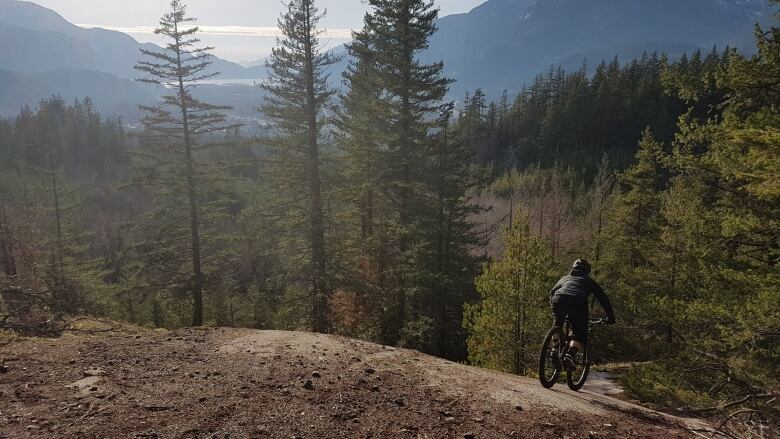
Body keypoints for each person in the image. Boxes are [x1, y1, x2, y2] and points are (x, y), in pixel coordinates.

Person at [549, 259, 615, 370]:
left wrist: (554, 307)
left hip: (558, 299)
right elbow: (603, 299)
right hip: (577, 301)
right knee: (580, 332)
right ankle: (569, 356)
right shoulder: (589, 281)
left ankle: (554, 349)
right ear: (587, 271)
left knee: (557, 324)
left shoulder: (565, 278)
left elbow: (551, 292)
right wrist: (611, 317)